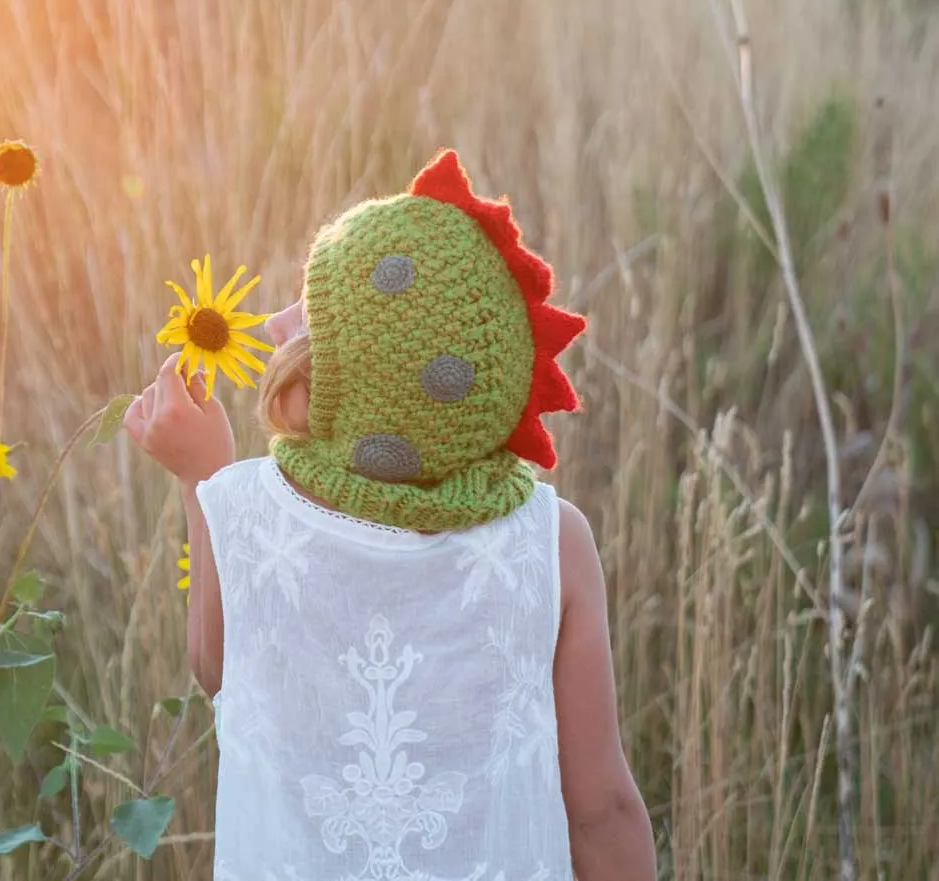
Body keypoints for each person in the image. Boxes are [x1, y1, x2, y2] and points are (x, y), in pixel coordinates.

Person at [124, 149, 656, 881]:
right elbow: (602, 809)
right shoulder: (549, 540)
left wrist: (203, 478)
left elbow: (221, 667)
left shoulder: (251, 510)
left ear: (371, 383)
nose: (276, 321)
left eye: (311, 314)